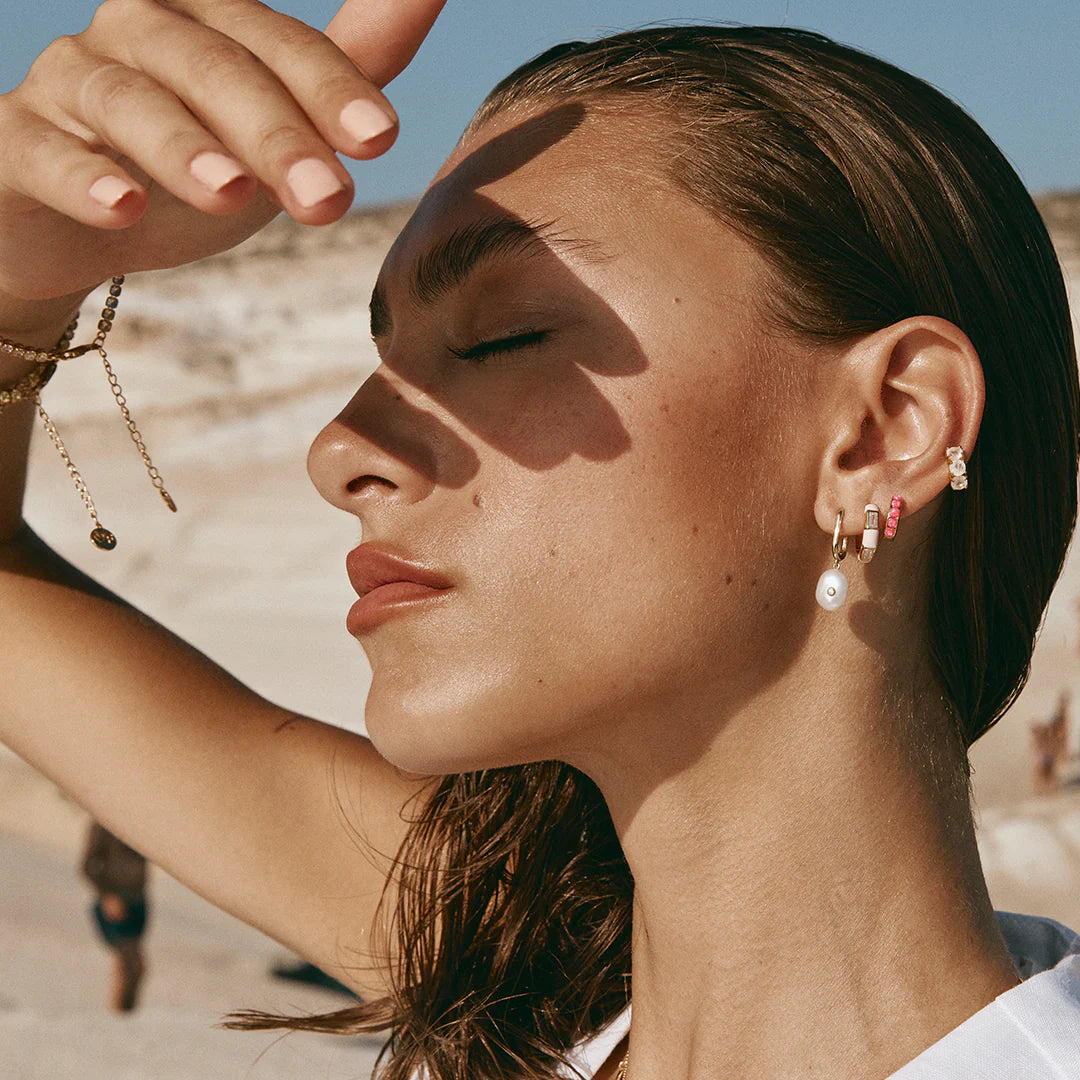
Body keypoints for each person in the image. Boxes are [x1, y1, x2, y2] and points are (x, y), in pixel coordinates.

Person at [0, 4, 1078, 1079]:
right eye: (386, 355)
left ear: (886, 430)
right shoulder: (521, 992)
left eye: (500, 335)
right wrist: (19, 282)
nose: (339, 449)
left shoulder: (502, 986)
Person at [81, 821, 150, 1013]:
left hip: (138, 900)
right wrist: (107, 895)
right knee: (129, 962)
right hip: (117, 902)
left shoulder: (142, 821)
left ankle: (126, 1011)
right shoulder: (104, 822)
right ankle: (120, 1012)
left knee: (136, 964)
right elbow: (87, 866)